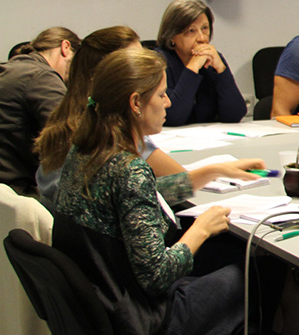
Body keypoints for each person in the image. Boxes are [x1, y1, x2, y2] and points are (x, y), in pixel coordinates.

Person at [52, 48, 299, 335]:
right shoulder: (128, 169)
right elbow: (157, 273)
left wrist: (209, 172)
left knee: (248, 262)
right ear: (135, 103)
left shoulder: (87, 151)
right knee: (263, 282)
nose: (169, 102)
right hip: (142, 322)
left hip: (102, 309)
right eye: (161, 94)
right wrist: (201, 230)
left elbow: (139, 202)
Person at [36, 26, 264, 209]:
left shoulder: (76, 114)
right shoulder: (107, 133)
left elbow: (141, 191)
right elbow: (166, 182)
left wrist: (212, 171)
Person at [0, 26, 79, 194]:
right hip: (19, 190)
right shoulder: (42, 76)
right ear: (66, 47)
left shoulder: (10, 69)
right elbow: (69, 135)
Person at [154, 0, 246, 126]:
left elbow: (235, 114)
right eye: (191, 31)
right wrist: (193, 68)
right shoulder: (158, 63)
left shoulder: (212, 59)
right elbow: (173, 117)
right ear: (172, 36)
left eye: (205, 28)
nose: (202, 38)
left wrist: (221, 69)